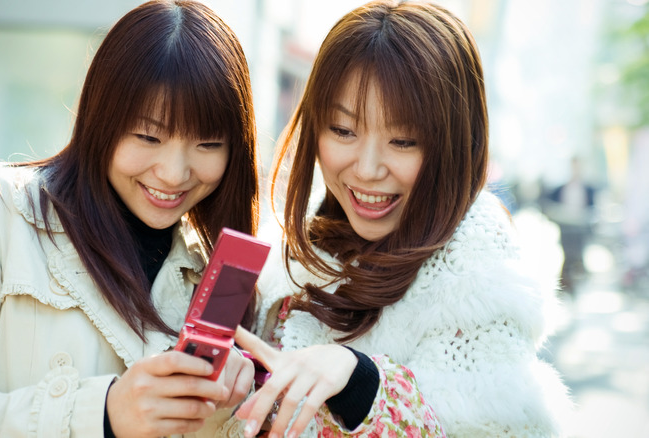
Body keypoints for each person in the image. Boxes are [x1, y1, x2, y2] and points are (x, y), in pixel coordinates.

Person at [0, 1, 260, 437]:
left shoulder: (219, 274)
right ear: (101, 120)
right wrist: (100, 413)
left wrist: (220, 411)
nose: (174, 174)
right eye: (148, 136)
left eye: (208, 144)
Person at [234, 1, 571, 437]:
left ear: (454, 144)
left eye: (404, 140)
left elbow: (491, 425)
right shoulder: (299, 252)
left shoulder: (481, 287)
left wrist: (362, 384)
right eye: (343, 131)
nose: (368, 168)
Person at [544, 156, 597, 292]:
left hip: (581, 229)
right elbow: (551, 207)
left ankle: (577, 278)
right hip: (566, 228)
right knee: (567, 254)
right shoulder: (560, 189)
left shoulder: (589, 190)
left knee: (578, 254)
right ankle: (567, 281)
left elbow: (593, 211)